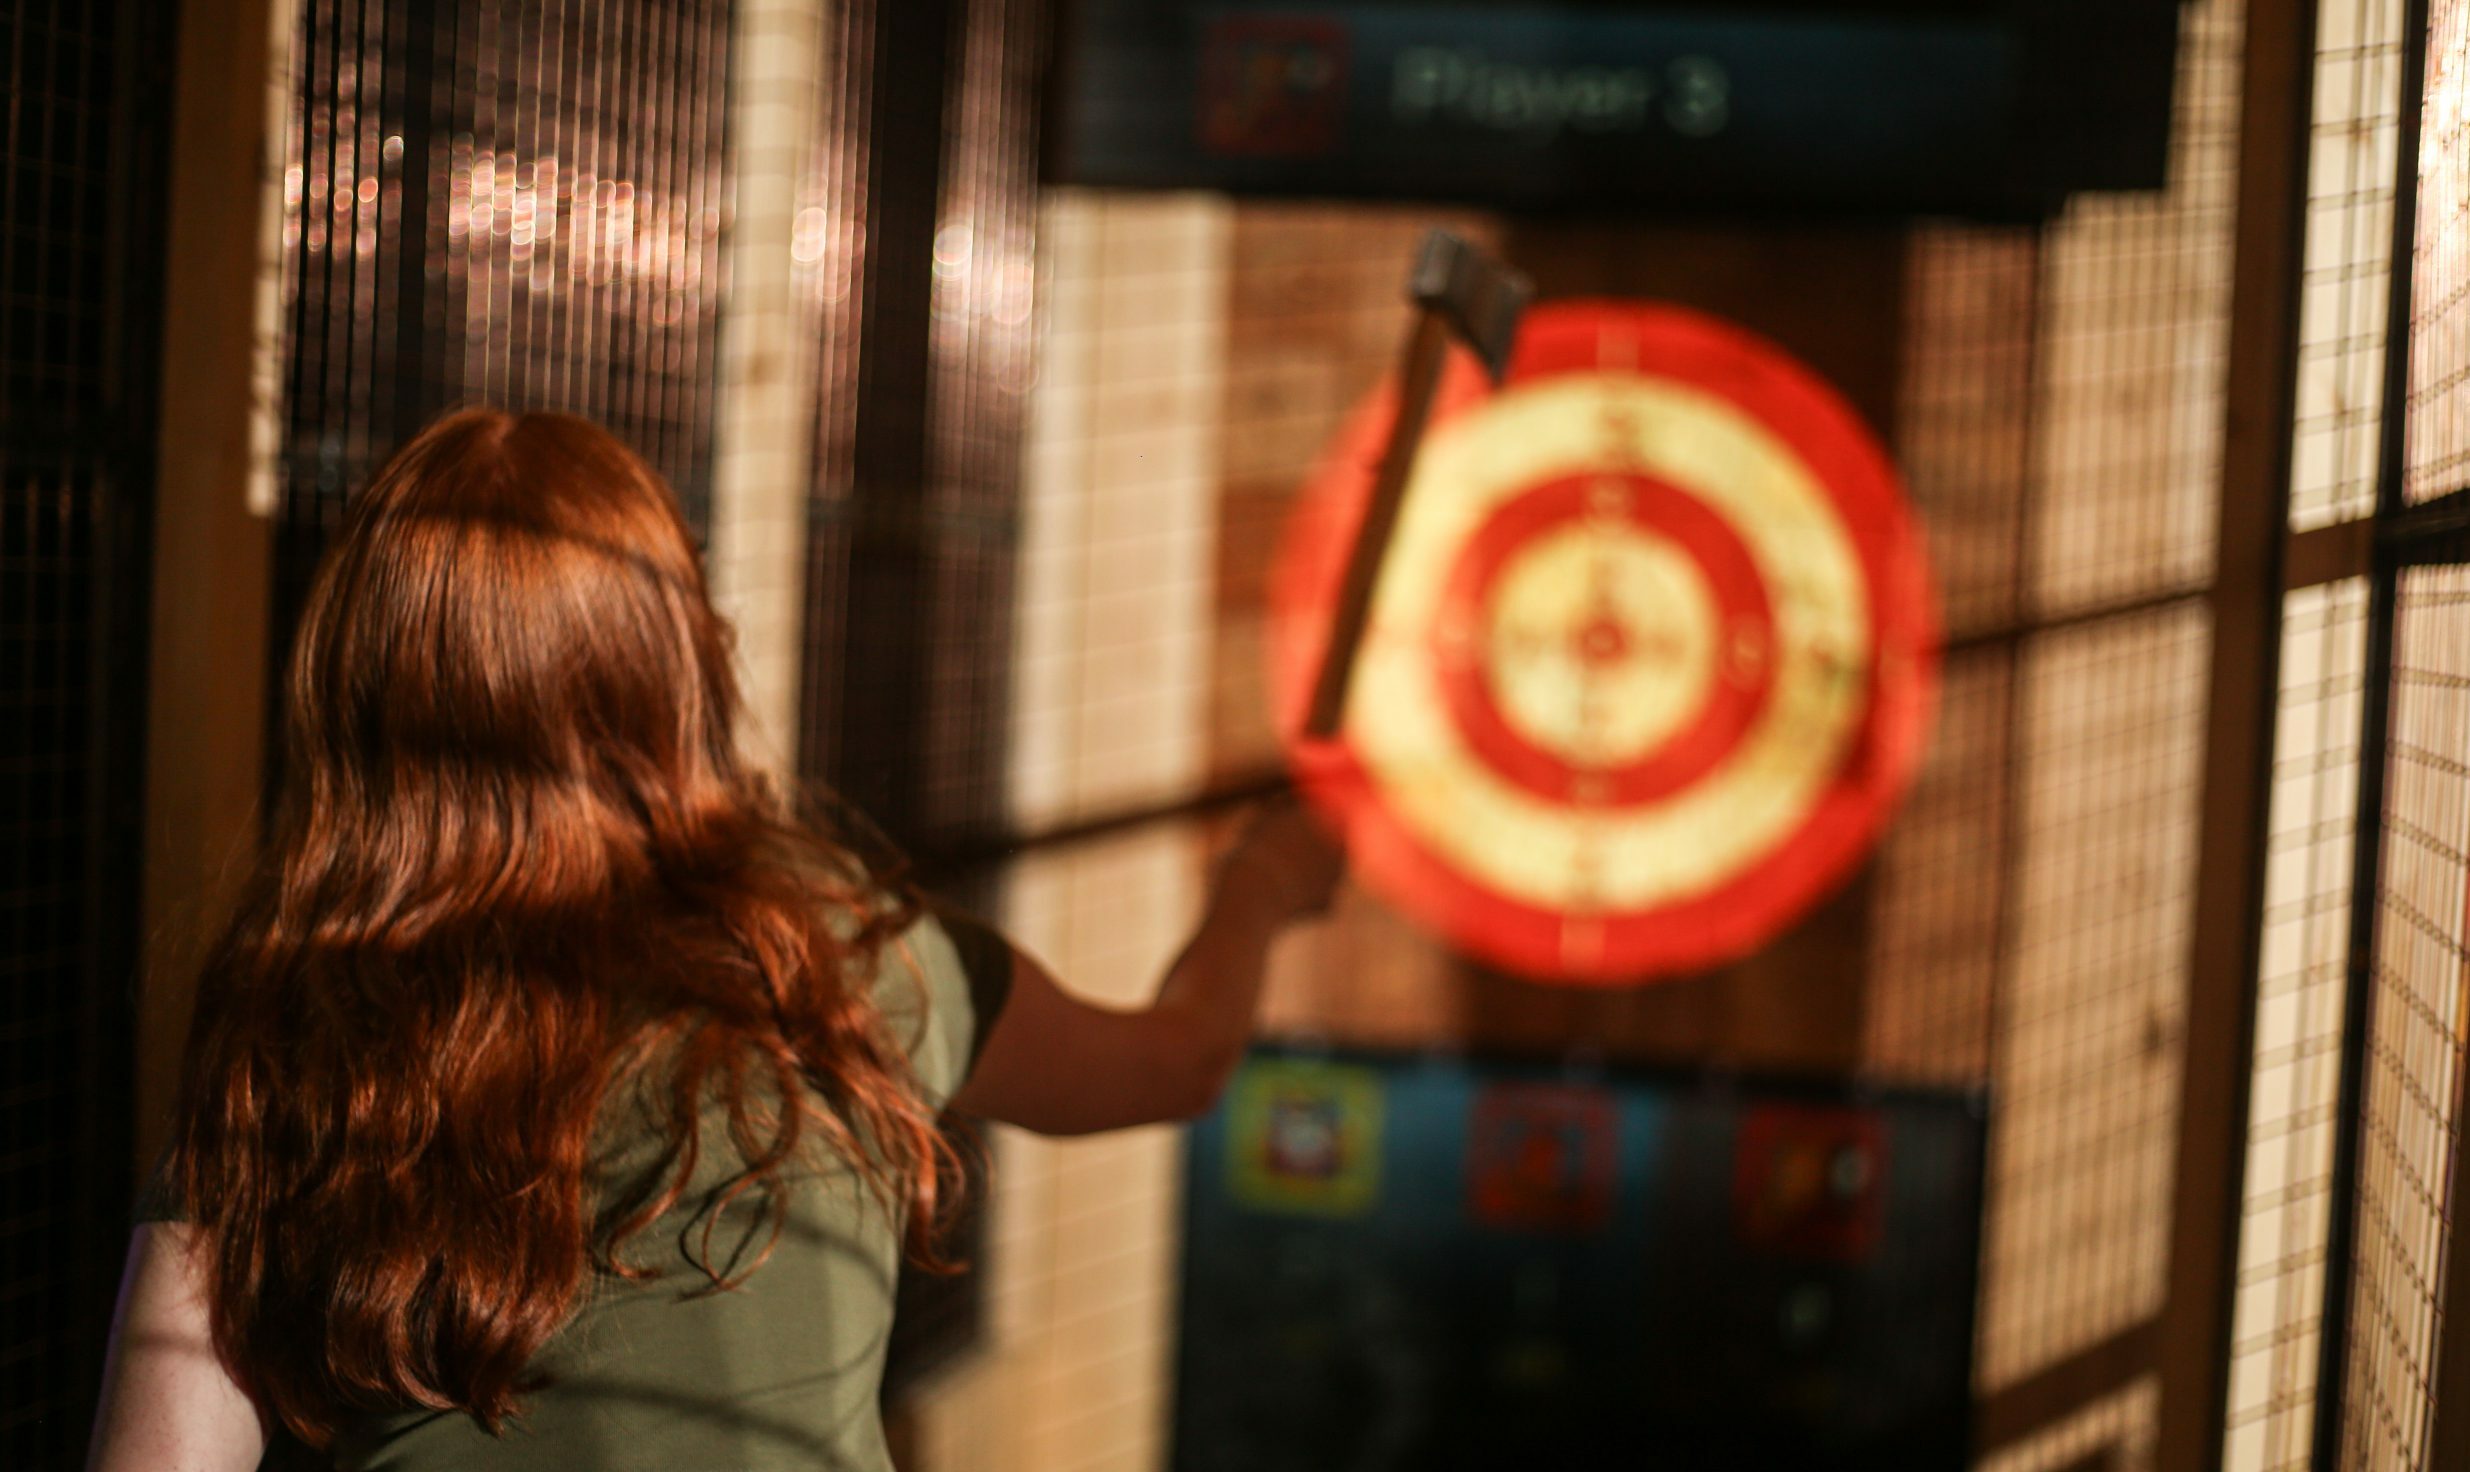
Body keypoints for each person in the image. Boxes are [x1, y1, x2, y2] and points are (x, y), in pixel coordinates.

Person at [87, 409, 1344, 1472]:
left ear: (357, 690)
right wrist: (1263, 884)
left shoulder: (293, 1030)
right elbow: (1175, 1059)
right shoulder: (840, 952)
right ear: (675, 662)